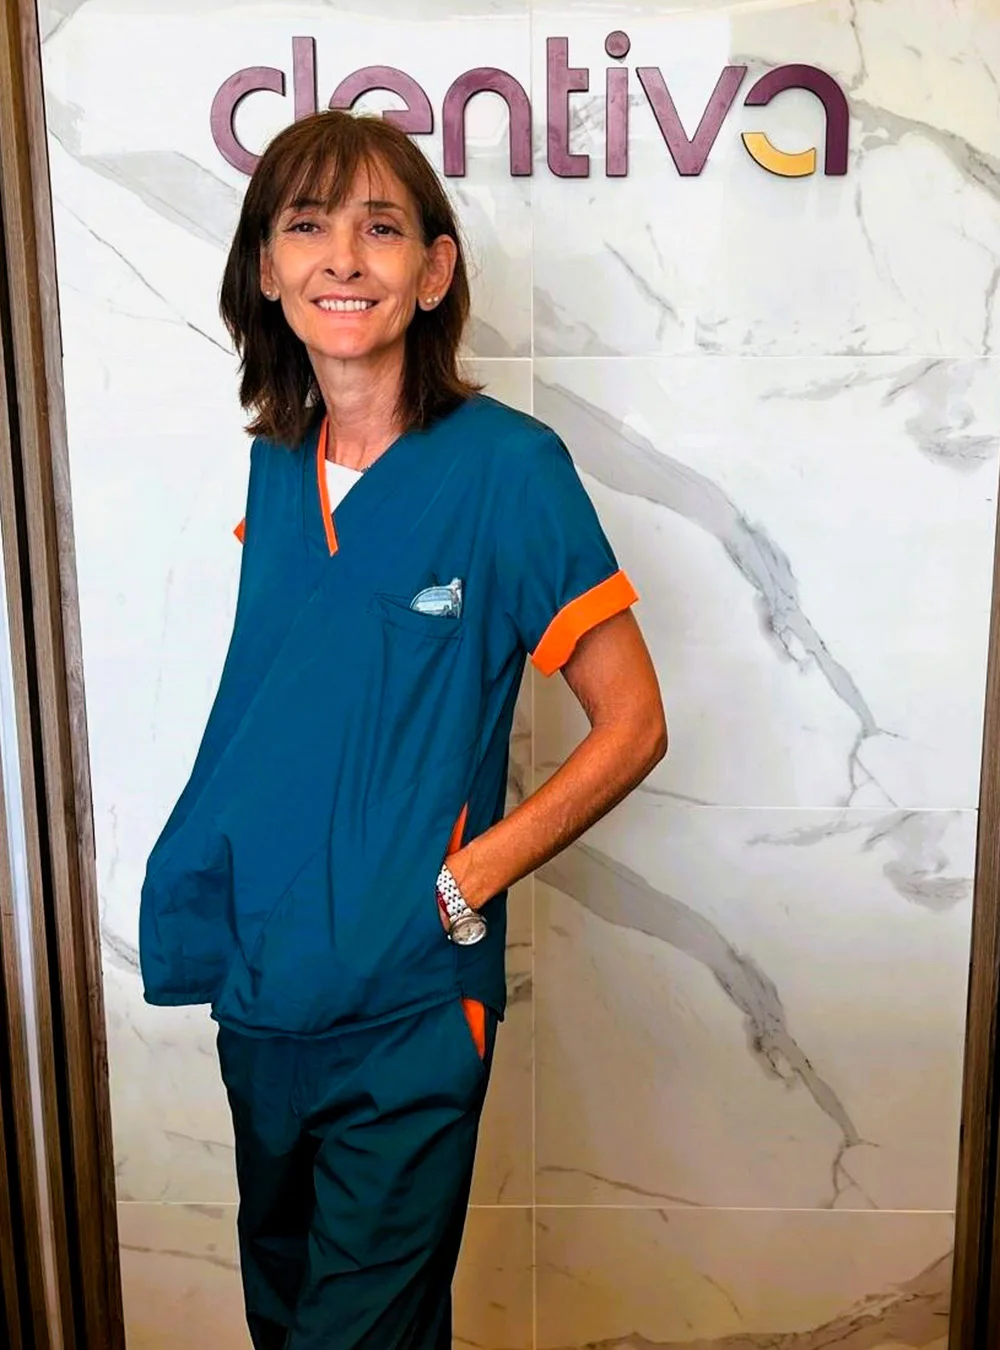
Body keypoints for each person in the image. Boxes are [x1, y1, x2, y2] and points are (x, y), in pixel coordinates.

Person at [138, 108, 666, 1350]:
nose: (342, 257)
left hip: (407, 1007)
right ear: (266, 268)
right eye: (307, 226)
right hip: (262, 993)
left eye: (380, 229)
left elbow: (634, 723)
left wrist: (466, 879)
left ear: (432, 273)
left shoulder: (508, 470)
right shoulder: (277, 467)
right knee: (289, 1322)